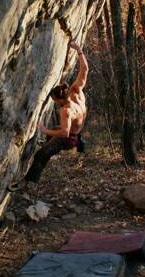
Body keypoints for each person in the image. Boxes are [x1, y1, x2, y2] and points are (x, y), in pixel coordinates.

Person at [8, 41, 88, 191]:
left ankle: (25, 182)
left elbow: (64, 133)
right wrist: (78, 50)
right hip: (76, 130)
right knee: (56, 130)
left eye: (54, 101)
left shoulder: (66, 111)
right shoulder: (77, 91)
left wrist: (44, 130)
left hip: (68, 139)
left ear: (58, 100)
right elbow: (85, 69)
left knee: (42, 154)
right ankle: (59, 141)